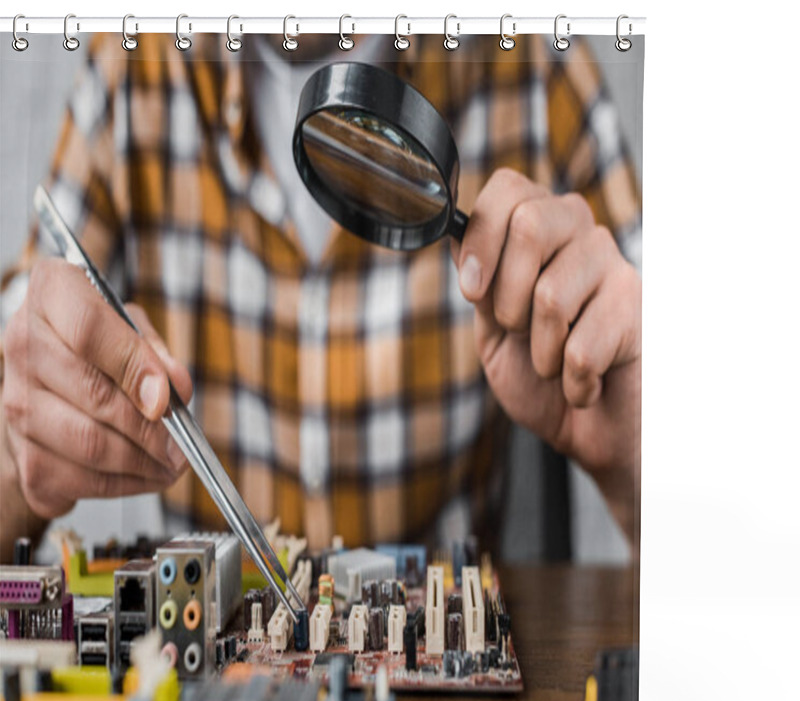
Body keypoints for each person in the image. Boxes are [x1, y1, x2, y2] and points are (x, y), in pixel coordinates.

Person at [0, 33, 641, 565]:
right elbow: (25, 386)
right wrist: (18, 448)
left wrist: (636, 448)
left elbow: (705, 534)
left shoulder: (532, 63)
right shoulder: (133, 64)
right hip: (206, 700)